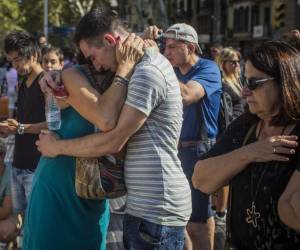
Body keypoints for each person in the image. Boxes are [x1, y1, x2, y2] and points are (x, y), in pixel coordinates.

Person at [36, 6, 191, 250]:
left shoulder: (144, 70)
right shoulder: (125, 71)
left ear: (110, 40)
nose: (94, 66)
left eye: (93, 57)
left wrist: (56, 147)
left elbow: (112, 135)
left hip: (154, 206)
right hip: (137, 205)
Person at [192, 41, 300, 250]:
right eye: (244, 81)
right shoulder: (246, 125)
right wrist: (250, 153)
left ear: (284, 82)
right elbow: (200, 180)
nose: (244, 91)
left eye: (254, 83)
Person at [143, 23, 221, 250]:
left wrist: (155, 59)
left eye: (173, 47)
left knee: (195, 222)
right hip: (174, 150)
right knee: (182, 218)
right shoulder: (173, 69)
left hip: (199, 149)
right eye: (165, 47)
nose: (166, 53)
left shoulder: (209, 68)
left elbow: (187, 95)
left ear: (191, 47)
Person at [2, 31, 47, 230]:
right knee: (22, 222)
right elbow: (24, 121)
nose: (15, 65)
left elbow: (53, 124)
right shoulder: (22, 84)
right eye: (12, 61)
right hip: (17, 163)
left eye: (18, 59)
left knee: (38, 222)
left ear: (34, 55)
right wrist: (10, 129)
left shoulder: (47, 82)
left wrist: (19, 127)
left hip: (36, 166)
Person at [213, 47, 245, 227]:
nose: (236, 65)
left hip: (237, 131)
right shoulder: (223, 83)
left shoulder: (235, 81)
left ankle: (217, 208)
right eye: (232, 61)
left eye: (237, 61)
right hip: (229, 133)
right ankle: (220, 212)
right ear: (223, 63)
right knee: (225, 175)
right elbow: (224, 113)